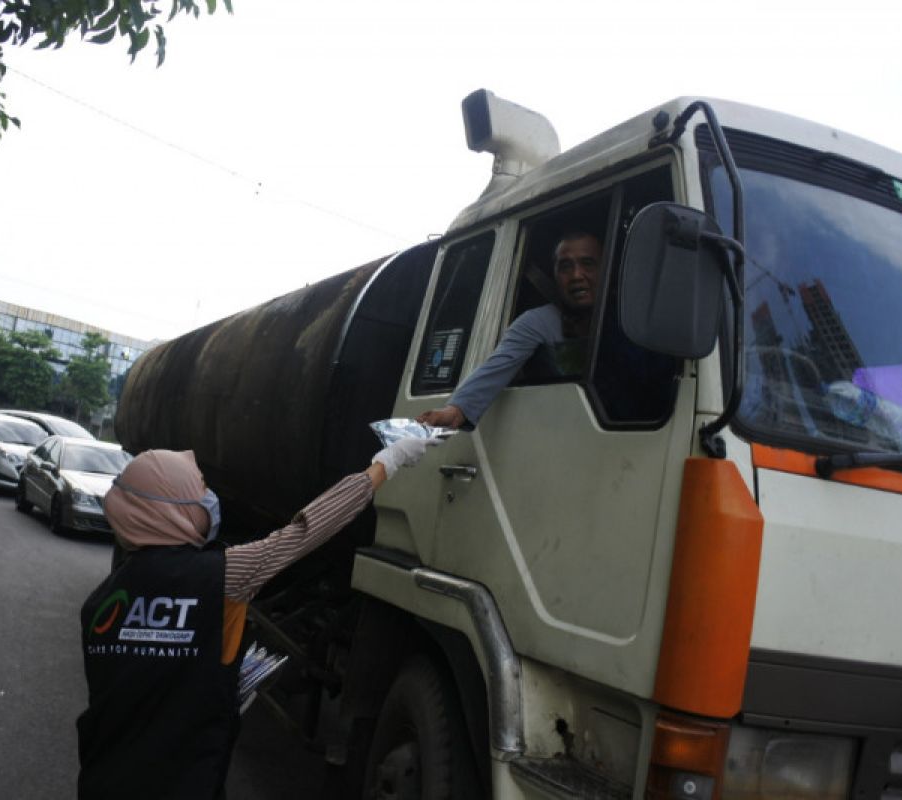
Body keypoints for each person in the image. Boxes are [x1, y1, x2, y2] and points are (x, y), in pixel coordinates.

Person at [75, 436, 437, 799]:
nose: (208, 498)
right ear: (173, 507)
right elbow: (306, 531)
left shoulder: (102, 601)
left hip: (104, 777)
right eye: (199, 488)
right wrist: (386, 463)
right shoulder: (225, 575)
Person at [418, 231, 603, 430]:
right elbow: (500, 363)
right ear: (555, 274)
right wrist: (456, 410)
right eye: (565, 267)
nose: (576, 275)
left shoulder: (627, 313)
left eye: (588, 264)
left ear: (607, 266)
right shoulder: (538, 322)